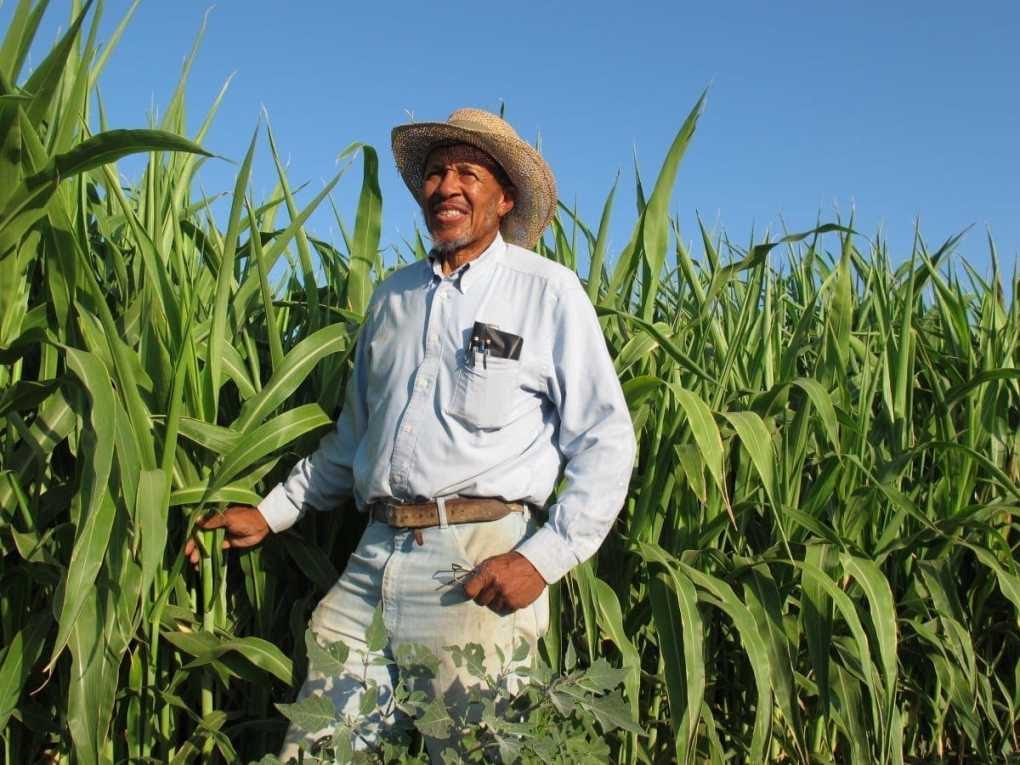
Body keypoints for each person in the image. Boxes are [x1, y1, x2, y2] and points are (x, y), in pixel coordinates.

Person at [185, 108, 636, 760]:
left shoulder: (547, 293)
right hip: (374, 557)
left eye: (467, 172)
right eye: (434, 172)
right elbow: (351, 443)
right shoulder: (392, 299)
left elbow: (605, 439)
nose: (445, 185)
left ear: (504, 196)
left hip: (477, 561)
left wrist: (542, 558)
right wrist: (269, 511)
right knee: (315, 749)